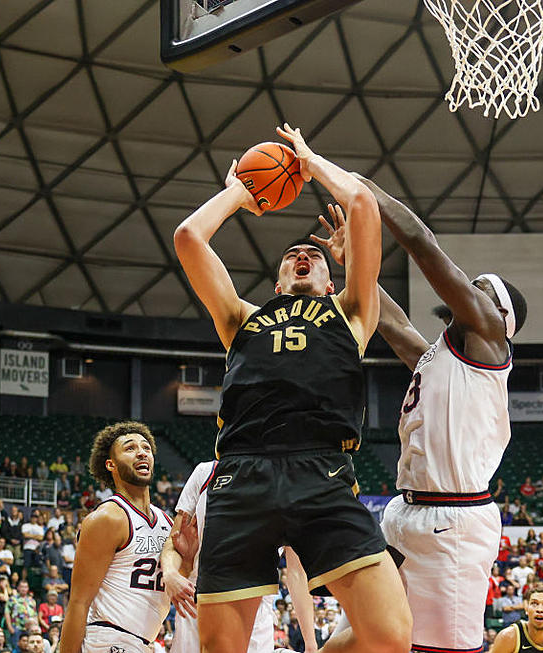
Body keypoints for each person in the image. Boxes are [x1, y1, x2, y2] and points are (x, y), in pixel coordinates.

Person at [173, 124, 410, 653]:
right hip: (242, 474)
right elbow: (188, 238)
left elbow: (363, 205)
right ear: (278, 285)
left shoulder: (351, 311)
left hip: (322, 471)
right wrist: (241, 191)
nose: (303, 254)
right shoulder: (240, 318)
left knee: (392, 640)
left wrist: (307, 160)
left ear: (332, 281)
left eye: (315, 255)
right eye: (291, 256)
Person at [314, 173, 525, 653]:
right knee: (358, 640)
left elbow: (421, 242)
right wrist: (355, 266)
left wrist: (365, 192)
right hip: (405, 514)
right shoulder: (438, 357)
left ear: (499, 317)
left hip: (453, 525)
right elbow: (391, 322)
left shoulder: (490, 344)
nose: (465, 292)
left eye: (478, 291)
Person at [58, 422, 195, 653]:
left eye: (146, 448)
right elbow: (78, 602)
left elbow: (174, 584)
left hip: (142, 643)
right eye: (130, 448)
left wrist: (188, 559)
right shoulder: (108, 518)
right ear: (111, 464)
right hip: (108, 639)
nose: (142, 452)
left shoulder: (166, 521)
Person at [158, 461, 316, 653]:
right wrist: (170, 572)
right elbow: (176, 540)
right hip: (198, 598)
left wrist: (311, 644)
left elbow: (297, 573)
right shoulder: (206, 472)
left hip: (255, 605)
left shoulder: (288, 480)